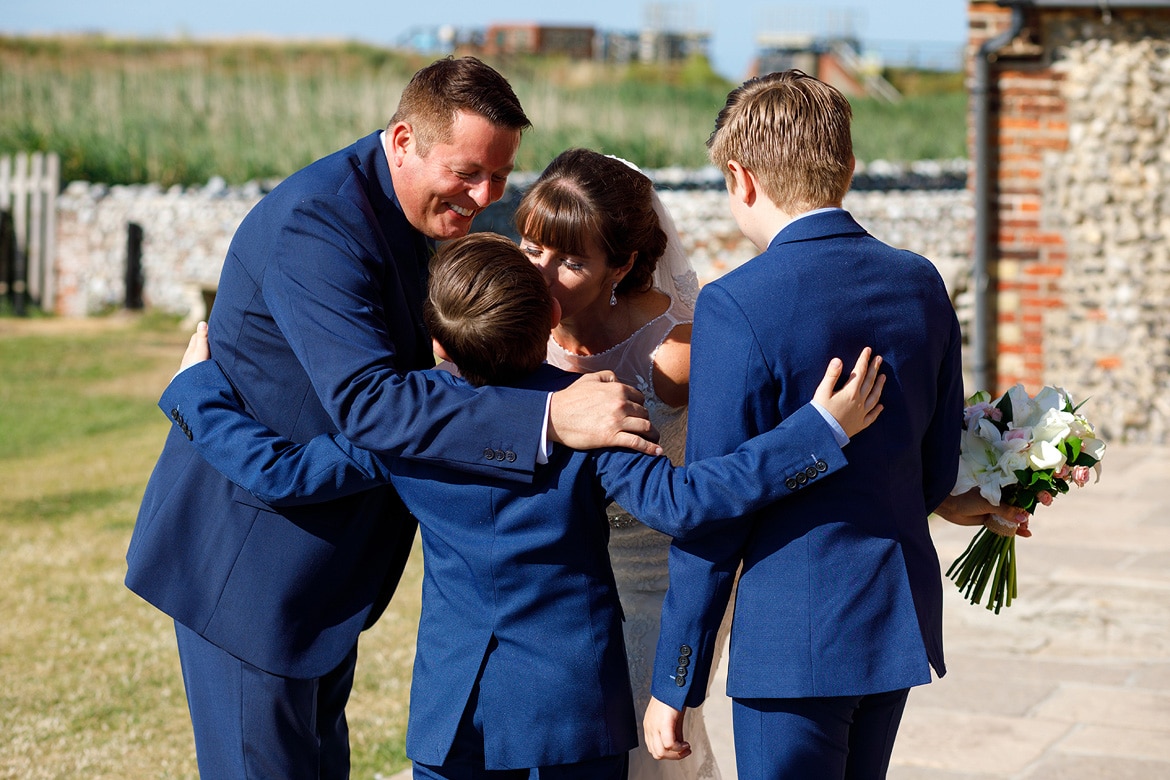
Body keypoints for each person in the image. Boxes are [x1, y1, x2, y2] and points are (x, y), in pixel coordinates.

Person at [162, 232, 887, 778]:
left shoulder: (403, 422)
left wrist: (196, 388)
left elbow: (280, 471)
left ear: (439, 340)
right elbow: (690, 502)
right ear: (547, 313)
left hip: (454, 712)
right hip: (570, 710)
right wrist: (816, 434)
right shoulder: (594, 410)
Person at [124, 56, 661, 780]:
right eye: (469, 172)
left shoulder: (411, 207)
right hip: (254, 570)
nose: (483, 197)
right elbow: (372, 404)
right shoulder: (317, 226)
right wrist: (547, 420)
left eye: (500, 176)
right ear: (404, 140)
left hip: (330, 571)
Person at [641, 69, 970, 778]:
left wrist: (677, 679)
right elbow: (939, 466)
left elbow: (713, 515)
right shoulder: (920, 282)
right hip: (894, 618)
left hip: (793, 640)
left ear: (740, 176)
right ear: (848, 167)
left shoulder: (737, 305)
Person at [512, 148, 723, 780]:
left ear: (622, 266)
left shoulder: (678, 352)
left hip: (649, 586)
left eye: (572, 261)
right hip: (546, 587)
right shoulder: (513, 325)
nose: (542, 275)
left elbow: (737, 468)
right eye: (531, 248)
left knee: (637, 755)